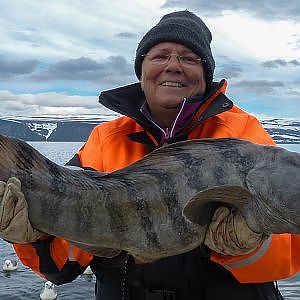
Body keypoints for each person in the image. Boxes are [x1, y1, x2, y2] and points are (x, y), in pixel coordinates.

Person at [1, 10, 299, 300]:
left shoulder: (244, 132)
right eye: (160, 55)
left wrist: (244, 246)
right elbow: (60, 268)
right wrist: (31, 238)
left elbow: (288, 253)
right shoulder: (105, 139)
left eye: (188, 58)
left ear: (206, 74)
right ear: (141, 70)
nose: (173, 65)